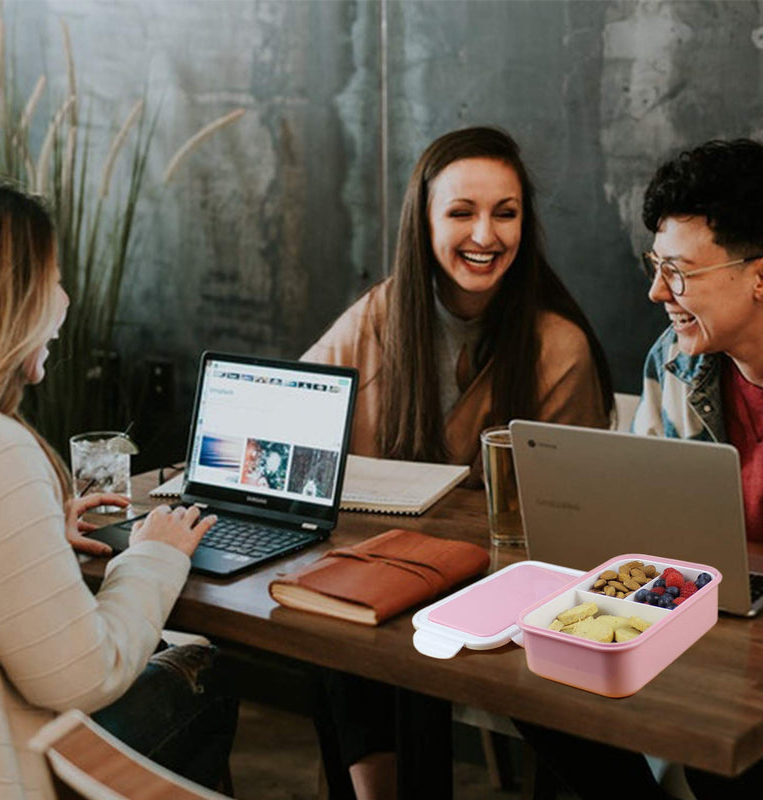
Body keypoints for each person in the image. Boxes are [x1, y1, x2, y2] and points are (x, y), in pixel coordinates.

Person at [304, 126, 614, 800]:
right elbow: (301, 412)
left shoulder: (556, 346)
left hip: (510, 595)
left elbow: (571, 524)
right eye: (461, 212)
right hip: (388, 576)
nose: (486, 234)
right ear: (424, 221)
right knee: (334, 626)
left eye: (505, 213)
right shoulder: (383, 313)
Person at [0, 172, 238, 799]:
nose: (64, 300)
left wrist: (32, 538)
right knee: (203, 672)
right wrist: (154, 556)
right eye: (52, 279)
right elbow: (81, 676)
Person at [517, 138, 763, 798]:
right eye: (656, 267)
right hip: (701, 618)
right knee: (536, 681)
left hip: (743, 650)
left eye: (678, 272)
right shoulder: (674, 360)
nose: (657, 292)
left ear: (759, 275)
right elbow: (640, 530)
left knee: (725, 751)